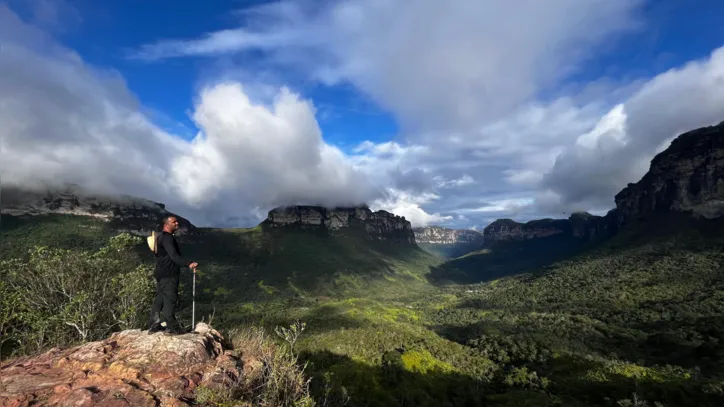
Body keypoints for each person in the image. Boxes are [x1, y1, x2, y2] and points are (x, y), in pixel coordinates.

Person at [148, 215, 198, 334]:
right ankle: (172, 327)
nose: (177, 224)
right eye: (174, 222)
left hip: (160, 273)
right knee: (170, 298)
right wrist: (188, 263)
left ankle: (154, 324)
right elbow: (174, 256)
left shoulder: (159, 237)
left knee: (159, 298)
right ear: (166, 224)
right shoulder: (168, 238)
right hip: (169, 274)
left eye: (177, 222)